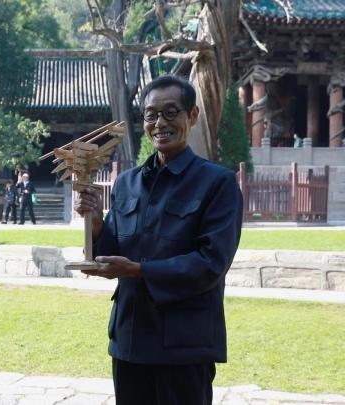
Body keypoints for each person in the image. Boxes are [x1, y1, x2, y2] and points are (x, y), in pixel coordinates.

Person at [74, 75, 243, 405]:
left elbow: (211, 263)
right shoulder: (126, 183)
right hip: (130, 338)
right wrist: (94, 221)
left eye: (170, 112)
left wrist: (139, 270)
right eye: (151, 115)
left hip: (184, 343)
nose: (159, 123)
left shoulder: (218, 184)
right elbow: (110, 252)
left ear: (192, 116)